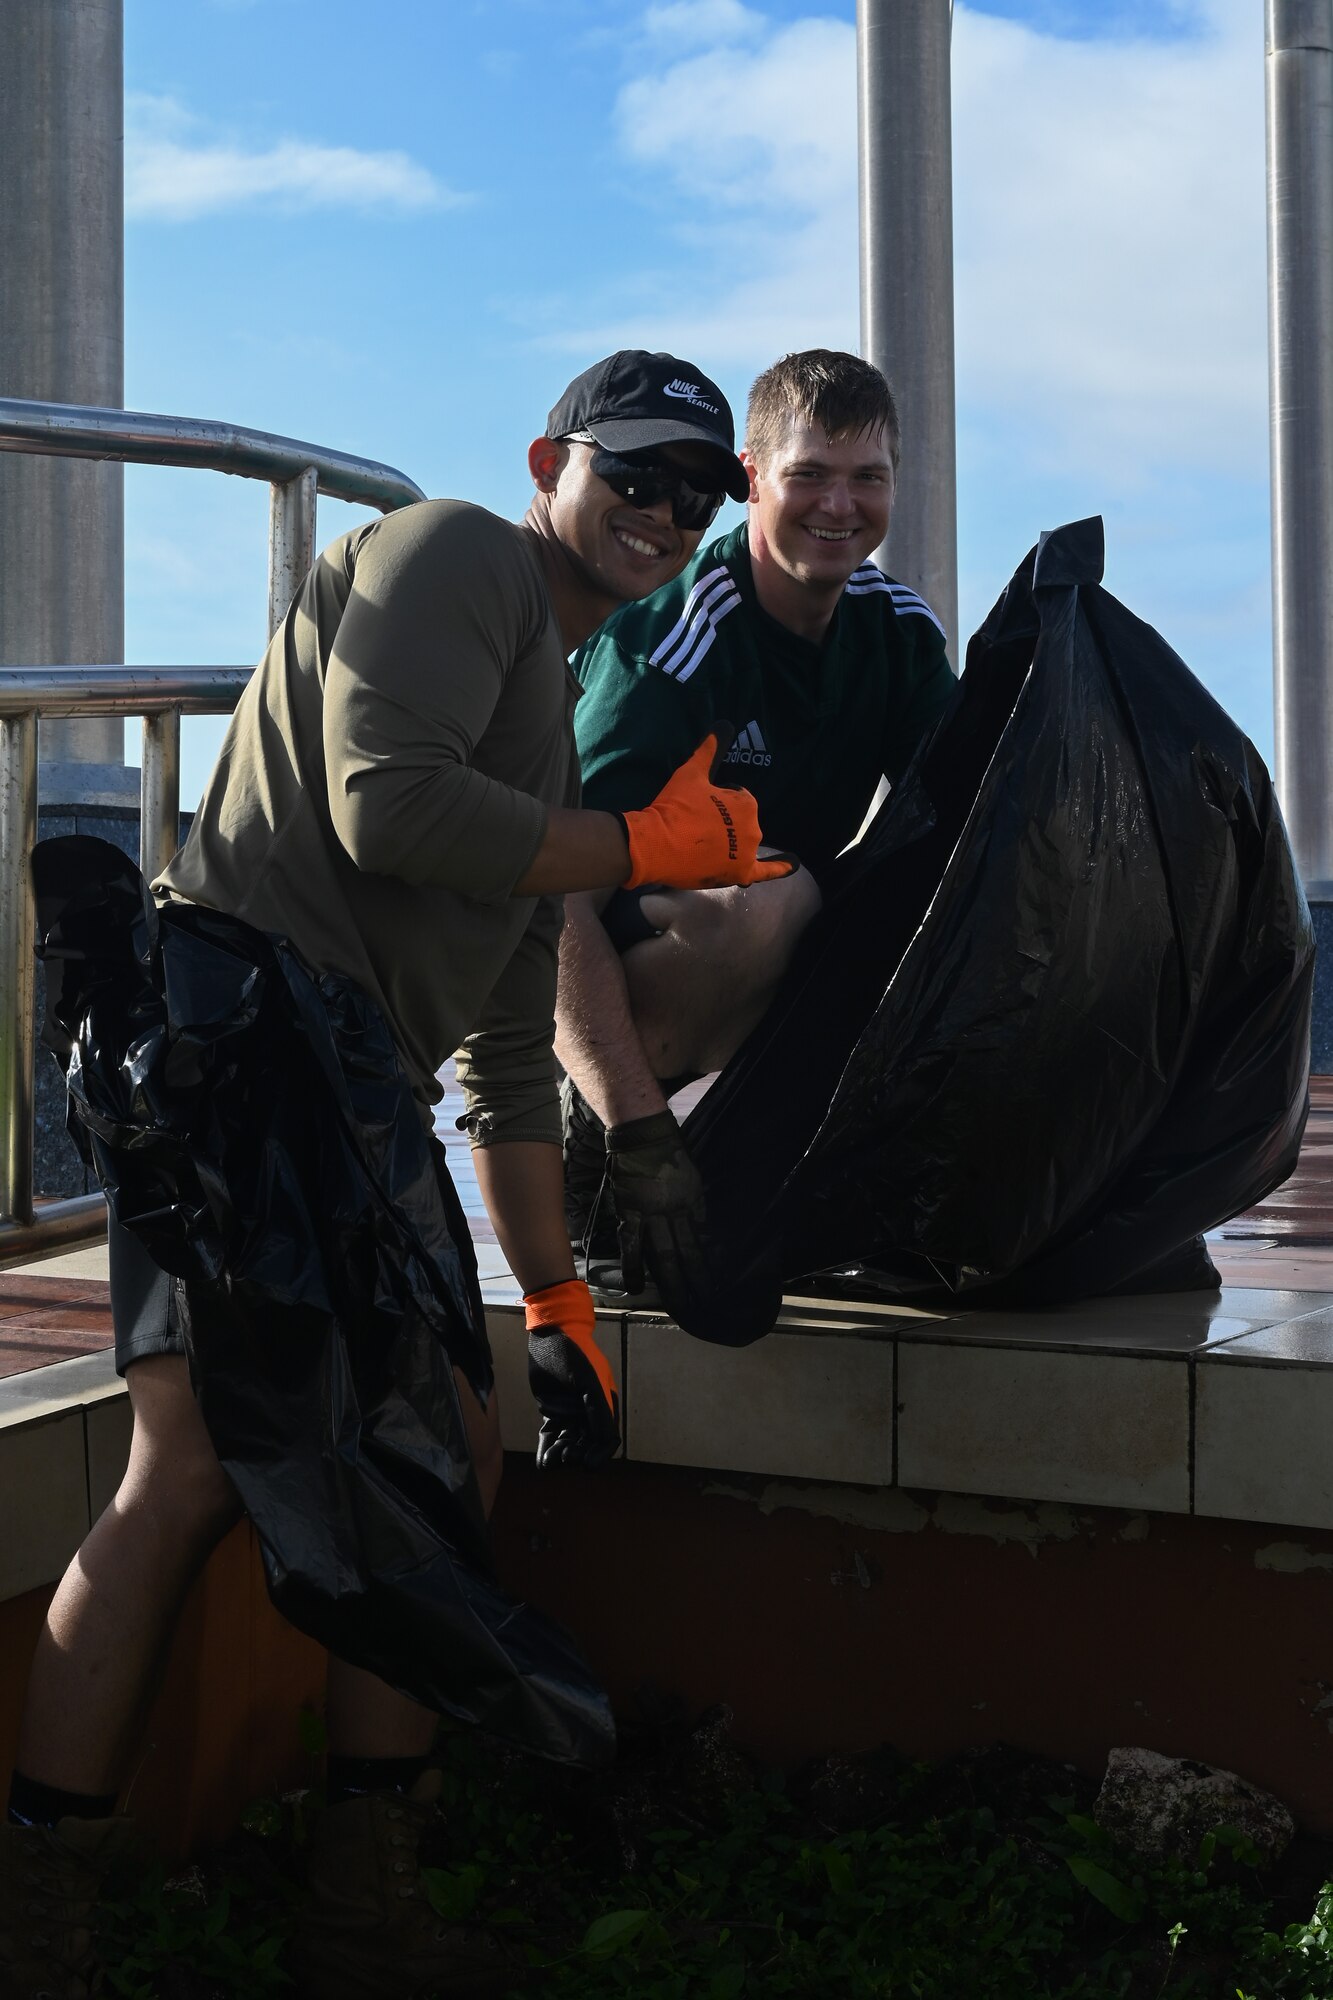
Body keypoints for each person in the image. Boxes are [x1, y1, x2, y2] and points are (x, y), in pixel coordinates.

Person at [0, 350, 787, 2000]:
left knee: (451, 1450)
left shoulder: (559, 747)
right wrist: (657, 849)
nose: (659, 511)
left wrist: (559, 1295)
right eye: (631, 473)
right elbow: (386, 807)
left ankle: (363, 1902)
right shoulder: (454, 556)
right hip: (237, 1048)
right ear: (547, 461)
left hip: (345, 1096)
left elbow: (505, 1063)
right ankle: (47, 1909)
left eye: (693, 493)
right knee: (192, 1473)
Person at [554, 350, 958, 1320]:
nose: (839, 504)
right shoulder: (677, 638)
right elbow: (544, 895)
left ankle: (841, 1181)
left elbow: (974, 824)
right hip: (597, 992)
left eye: (867, 477)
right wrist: (629, 1117)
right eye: (809, 474)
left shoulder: (897, 633)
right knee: (781, 907)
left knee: (924, 885)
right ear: (752, 480)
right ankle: (601, 1165)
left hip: (761, 948)